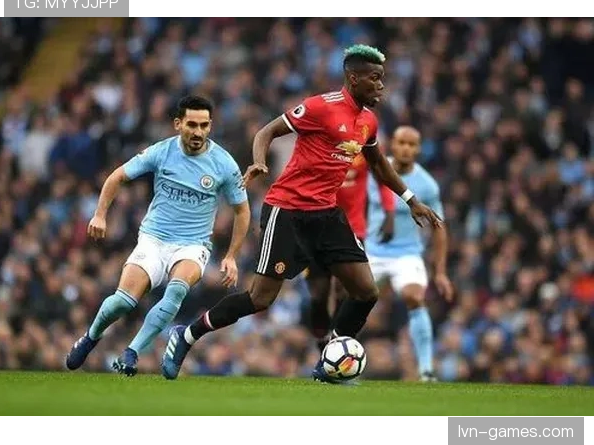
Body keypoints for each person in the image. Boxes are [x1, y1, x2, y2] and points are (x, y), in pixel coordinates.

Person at [160, 44, 443, 383]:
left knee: (366, 291)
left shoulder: (368, 120)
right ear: (354, 79)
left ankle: (331, 361)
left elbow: (380, 164)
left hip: (327, 214)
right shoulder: (320, 107)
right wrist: (259, 161)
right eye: (375, 78)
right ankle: (187, 335)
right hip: (288, 211)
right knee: (260, 299)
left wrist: (410, 199)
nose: (381, 85)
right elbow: (267, 131)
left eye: (382, 78)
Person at [65, 95, 250, 377]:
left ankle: (132, 352)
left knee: (176, 290)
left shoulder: (224, 163)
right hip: (154, 238)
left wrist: (231, 255)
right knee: (123, 302)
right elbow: (117, 177)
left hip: (193, 245)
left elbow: (242, 210)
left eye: (204, 125)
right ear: (178, 124)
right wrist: (100, 214)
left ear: (210, 126)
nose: (198, 132)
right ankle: (91, 337)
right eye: (192, 124)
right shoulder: (161, 152)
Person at [365, 126, 454, 382]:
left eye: (411, 144)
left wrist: (440, 272)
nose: (405, 148)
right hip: (373, 251)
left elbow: (439, 227)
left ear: (418, 149)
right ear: (392, 144)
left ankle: (425, 369)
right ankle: (334, 356)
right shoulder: (374, 169)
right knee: (349, 299)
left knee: (414, 297)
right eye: (401, 142)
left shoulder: (427, 185)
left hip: (406, 254)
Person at [305, 151, 395, 352]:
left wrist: (389, 212)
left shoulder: (364, 143)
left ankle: (336, 342)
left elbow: (382, 174)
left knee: (345, 289)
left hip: (352, 228)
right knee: (318, 292)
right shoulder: (319, 144)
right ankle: (321, 338)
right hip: (317, 226)